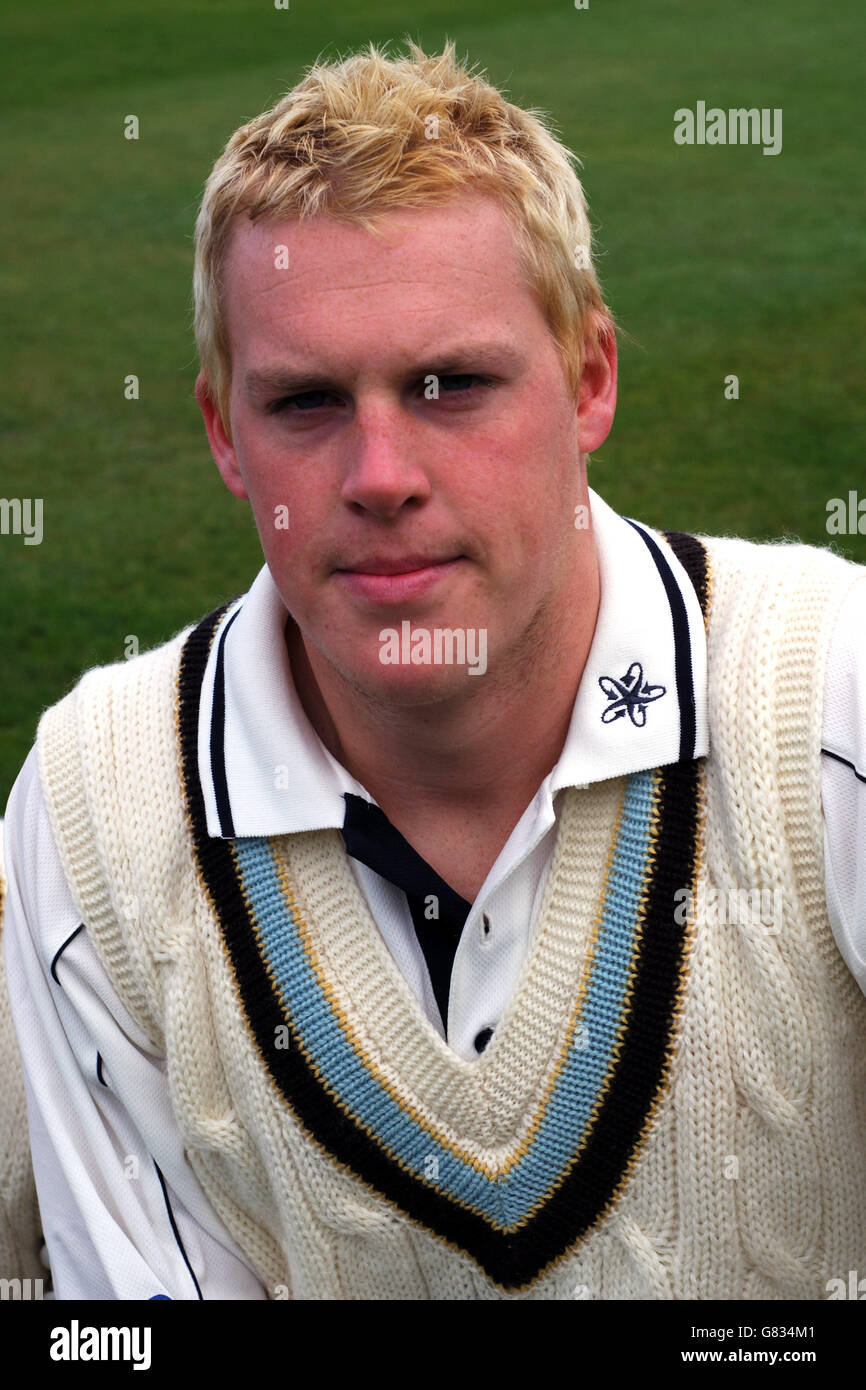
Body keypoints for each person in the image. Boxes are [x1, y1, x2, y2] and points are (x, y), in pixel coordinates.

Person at [2, 37, 866, 1301]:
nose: (379, 476)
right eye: (303, 402)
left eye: (449, 384)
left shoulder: (827, 694)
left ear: (588, 379)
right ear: (221, 431)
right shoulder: (93, 805)